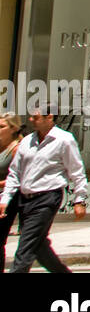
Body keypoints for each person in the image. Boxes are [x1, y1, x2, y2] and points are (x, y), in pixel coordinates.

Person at [0, 105, 88, 273]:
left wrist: (80, 199)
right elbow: (14, 174)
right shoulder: (27, 141)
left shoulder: (64, 140)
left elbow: (77, 172)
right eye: (31, 116)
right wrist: (5, 199)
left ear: (50, 117)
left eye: (36, 117)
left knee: (26, 244)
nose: (32, 120)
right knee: (38, 245)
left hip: (47, 198)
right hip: (25, 199)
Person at [0, 114, 22, 269]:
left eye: (2, 126)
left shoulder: (17, 148)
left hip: (7, 199)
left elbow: (18, 178)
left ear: (14, 128)